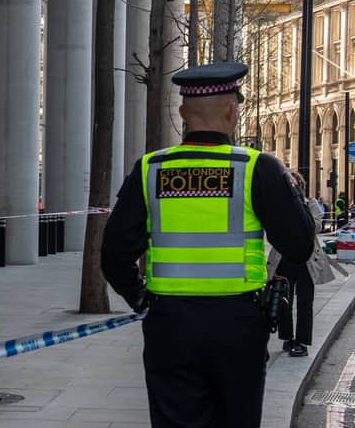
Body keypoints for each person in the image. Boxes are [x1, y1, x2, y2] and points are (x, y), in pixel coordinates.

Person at [101, 61, 315, 428]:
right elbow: (299, 246)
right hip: (239, 324)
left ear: (183, 113)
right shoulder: (255, 168)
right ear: (233, 110)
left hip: (170, 324)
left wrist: (140, 299)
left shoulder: (151, 169)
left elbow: (114, 254)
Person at [267, 172, 323, 357]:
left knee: (305, 302)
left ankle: (302, 342)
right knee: (284, 300)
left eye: (295, 183)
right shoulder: (279, 206)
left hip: (306, 260)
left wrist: (299, 211)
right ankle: (287, 338)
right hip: (284, 258)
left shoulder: (310, 204)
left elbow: (316, 226)